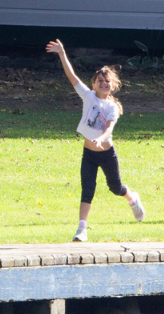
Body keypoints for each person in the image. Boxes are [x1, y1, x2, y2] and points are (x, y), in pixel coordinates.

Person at [45, 39, 145, 242]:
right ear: (93, 84)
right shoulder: (88, 97)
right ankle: (81, 229)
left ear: (113, 85)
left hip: (107, 154)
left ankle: (132, 199)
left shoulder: (112, 107)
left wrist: (99, 139)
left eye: (107, 81)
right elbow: (71, 77)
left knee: (115, 187)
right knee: (87, 189)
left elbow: (109, 129)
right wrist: (62, 53)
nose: (103, 83)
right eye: (100, 80)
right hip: (89, 154)